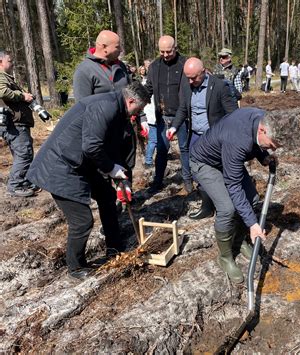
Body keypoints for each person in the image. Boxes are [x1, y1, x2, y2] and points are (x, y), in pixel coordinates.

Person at [26, 82, 150, 280]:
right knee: (82, 221)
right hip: (60, 167)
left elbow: (113, 147)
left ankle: (114, 246)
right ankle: (75, 268)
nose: (139, 113)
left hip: (81, 164)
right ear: (131, 100)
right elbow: (92, 146)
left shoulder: (118, 110)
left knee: (107, 196)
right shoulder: (106, 106)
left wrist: (122, 178)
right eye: (140, 108)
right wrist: (111, 169)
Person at [190, 107, 298, 283]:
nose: (273, 149)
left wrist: (263, 155)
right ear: (263, 130)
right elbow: (233, 185)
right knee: (227, 208)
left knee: (252, 199)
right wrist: (253, 224)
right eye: (272, 145)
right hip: (206, 162)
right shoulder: (237, 140)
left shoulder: (264, 119)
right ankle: (225, 257)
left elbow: (255, 141)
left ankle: (239, 241)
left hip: (226, 156)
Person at [72, 30, 147, 199]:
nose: (121, 50)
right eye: (118, 47)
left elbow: (134, 94)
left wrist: (141, 119)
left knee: (126, 168)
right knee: (105, 174)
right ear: (104, 47)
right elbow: (83, 108)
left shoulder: (120, 67)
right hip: (102, 135)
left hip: (124, 132)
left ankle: (126, 197)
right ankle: (110, 208)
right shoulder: (84, 71)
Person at [167, 57, 238, 219]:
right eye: (188, 77)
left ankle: (226, 205)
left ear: (204, 71)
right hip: (196, 136)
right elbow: (183, 109)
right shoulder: (186, 85)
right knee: (198, 171)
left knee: (219, 170)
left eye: (194, 77)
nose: (191, 81)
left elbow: (233, 114)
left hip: (214, 137)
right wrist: (173, 127)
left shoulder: (219, 86)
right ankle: (207, 206)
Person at [145, 35, 192, 193]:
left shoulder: (184, 64)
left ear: (175, 48)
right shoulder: (154, 66)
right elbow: (149, 89)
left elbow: (189, 92)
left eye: (168, 51)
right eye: (162, 51)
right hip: (162, 115)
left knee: (184, 149)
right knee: (162, 149)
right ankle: (157, 181)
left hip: (183, 115)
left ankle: (188, 181)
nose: (165, 55)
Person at [0, 51, 40, 197]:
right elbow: (3, 92)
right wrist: (23, 95)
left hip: (17, 123)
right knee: (24, 154)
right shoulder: (1, 77)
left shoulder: (7, 78)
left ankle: (24, 181)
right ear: (1, 62)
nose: (12, 63)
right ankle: (15, 185)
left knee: (22, 154)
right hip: (14, 124)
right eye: (9, 61)